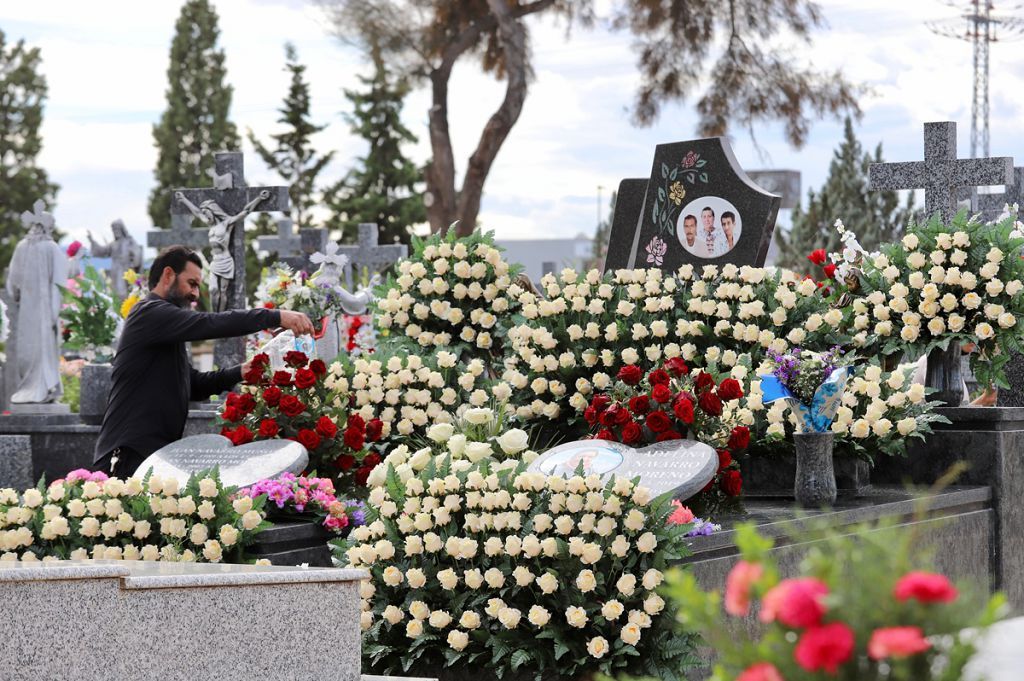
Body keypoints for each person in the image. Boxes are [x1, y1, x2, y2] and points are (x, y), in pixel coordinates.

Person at [93, 245, 314, 477]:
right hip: (128, 453)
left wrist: (241, 372)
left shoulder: (164, 327)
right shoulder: (148, 313)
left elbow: (193, 385)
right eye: (192, 283)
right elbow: (211, 323)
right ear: (168, 275)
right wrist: (275, 316)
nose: (196, 294)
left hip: (152, 455)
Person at [5, 200, 66, 404]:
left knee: (30, 347)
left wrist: (18, 296)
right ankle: (41, 388)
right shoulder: (52, 248)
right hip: (44, 309)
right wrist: (55, 311)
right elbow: (59, 283)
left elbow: (13, 282)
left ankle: (34, 388)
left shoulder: (22, 247)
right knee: (41, 348)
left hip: (27, 311)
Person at [175, 190, 271, 312]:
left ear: (213, 212)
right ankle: (214, 315)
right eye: (204, 214)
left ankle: (220, 315)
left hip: (225, 260)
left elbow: (245, 211)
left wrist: (259, 198)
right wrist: (183, 199)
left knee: (223, 291)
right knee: (212, 290)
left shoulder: (227, 223)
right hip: (215, 261)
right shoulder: (210, 225)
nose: (205, 216)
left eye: (207, 213)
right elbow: (197, 212)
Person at [88, 219, 143, 297]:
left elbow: (137, 253)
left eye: (117, 229)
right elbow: (102, 251)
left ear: (121, 229)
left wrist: (134, 264)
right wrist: (92, 241)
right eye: (113, 230)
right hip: (115, 271)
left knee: (124, 292)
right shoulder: (113, 244)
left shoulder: (129, 242)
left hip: (125, 270)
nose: (115, 231)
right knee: (116, 293)